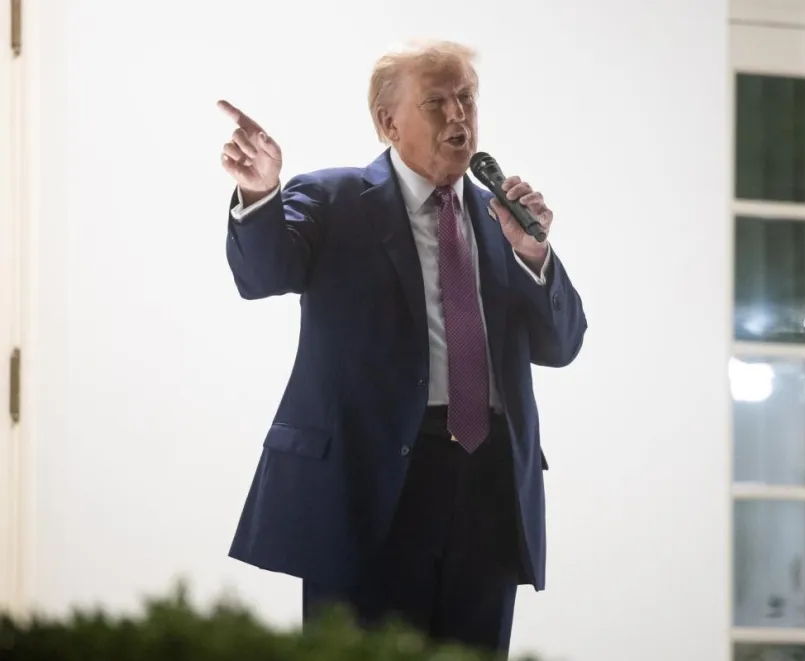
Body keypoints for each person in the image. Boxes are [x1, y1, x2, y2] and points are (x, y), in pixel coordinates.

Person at [217, 39, 587, 655]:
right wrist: (261, 194)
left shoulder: (505, 221)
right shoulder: (334, 200)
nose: (459, 117)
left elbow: (563, 344)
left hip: (489, 487)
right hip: (371, 486)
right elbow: (262, 276)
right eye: (437, 103)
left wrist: (534, 255)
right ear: (389, 122)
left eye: (466, 98)